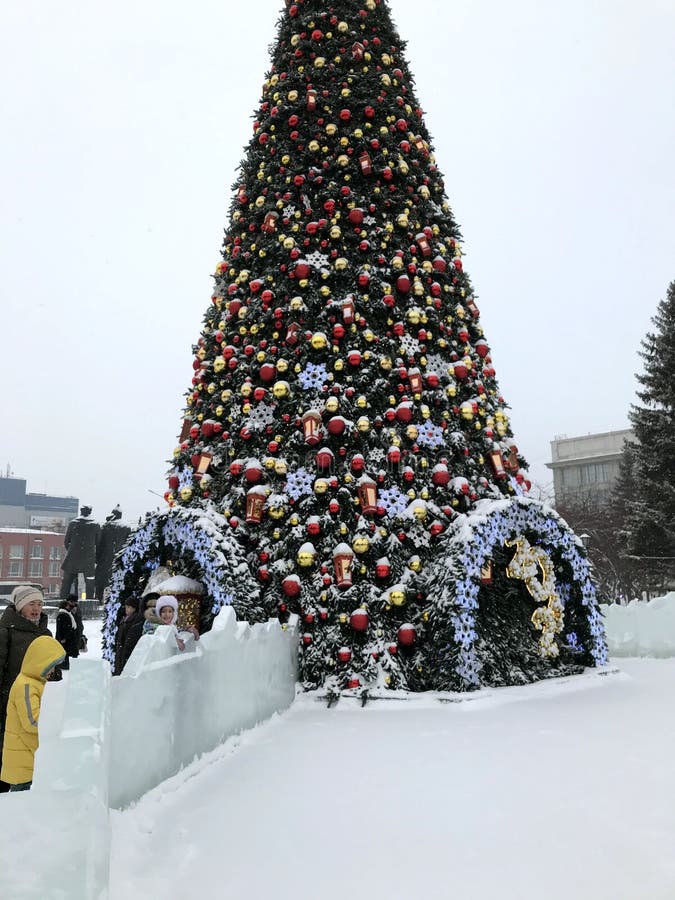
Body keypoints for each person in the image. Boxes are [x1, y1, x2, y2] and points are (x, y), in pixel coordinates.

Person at [0, 585, 52, 793]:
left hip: (37, 701)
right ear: (20, 606)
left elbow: (53, 665)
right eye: (32, 603)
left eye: (39, 604)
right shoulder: (5, 632)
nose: (37, 608)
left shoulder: (45, 632)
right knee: (8, 748)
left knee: (29, 751)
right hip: (8, 701)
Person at [0, 635, 65, 791]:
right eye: (50, 666)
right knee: (21, 807)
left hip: (24, 759)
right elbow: (32, 722)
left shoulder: (33, 682)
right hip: (23, 763)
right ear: (39, 663)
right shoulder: (27, 686)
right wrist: (53, 728)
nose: (53, 671)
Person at [60, 505, 100, 599]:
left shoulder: (73, 523)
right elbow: (98, 543)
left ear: (81, 511)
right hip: (88, 558)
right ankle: (89, 604)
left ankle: (62, 601)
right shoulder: (95, 525)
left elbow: (66, 542)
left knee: (67, 582)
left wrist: (72, 551)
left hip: (73, 557)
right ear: (89, 512)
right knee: (89, 582)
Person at [113, 596, 144, 675]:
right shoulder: (124, 618)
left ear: (134, 608)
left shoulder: (135, 620)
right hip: (120, 651)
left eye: (129, 607)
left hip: (126, 651)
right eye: (126, 606)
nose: (127, 609)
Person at [55, 598, 79, 671]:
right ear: (65, 606)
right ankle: (64, 666)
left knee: (67, 653)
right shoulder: (63, 615)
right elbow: (60, 628)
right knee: (65, 653)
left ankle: (66, 665)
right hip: (65, 639)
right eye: (68, 605)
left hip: (67, 639)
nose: (70, 607)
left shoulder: (66, 614)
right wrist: (63, 638)